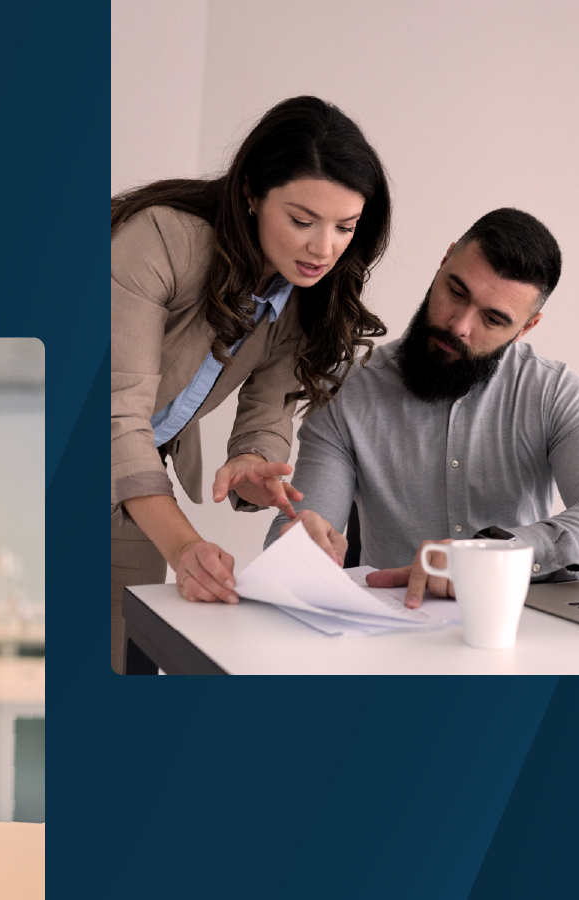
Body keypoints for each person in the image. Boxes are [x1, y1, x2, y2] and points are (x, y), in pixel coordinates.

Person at [111, 96, 391, 672]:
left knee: (127, 659)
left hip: (133, 489)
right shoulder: (161, 238)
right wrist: (187, 547)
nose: (324, 248)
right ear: (250, 194)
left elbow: (268, 413)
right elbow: (114, 416)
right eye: (302, 220)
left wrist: (254, 463)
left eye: (345, 227)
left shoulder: (305, 297)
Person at [265, 208, 579, 607]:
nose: (460, 325)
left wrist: (494, 556)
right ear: (443, 263)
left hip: (519, 634)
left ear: (524, 329)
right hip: (394, 637)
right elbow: (299, 531)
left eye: (493, 318)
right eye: (457, 292)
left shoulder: (553, 391)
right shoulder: (346, 391)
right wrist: (301, 547)